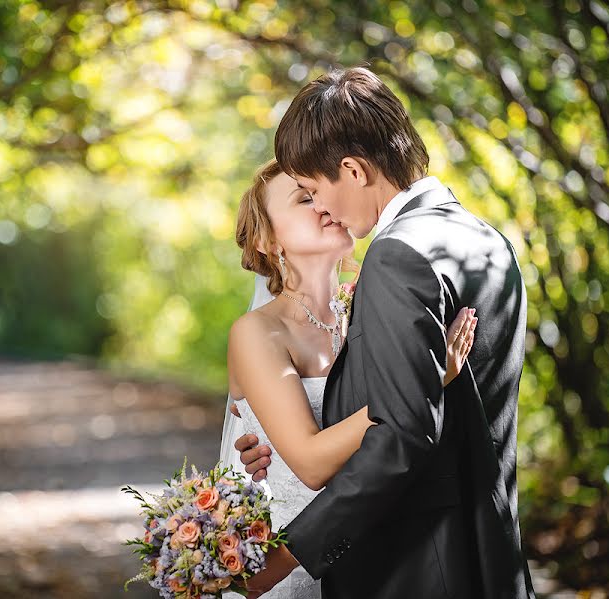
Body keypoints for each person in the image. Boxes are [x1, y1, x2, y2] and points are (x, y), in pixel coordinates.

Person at [235, 66, 535, 599]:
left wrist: (284, 559)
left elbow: (399, 435)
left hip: (417, 567)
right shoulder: (488, 241)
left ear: (352, 169)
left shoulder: (397, 254)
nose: (322, 207)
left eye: (313, 189)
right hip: (492, 553)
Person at [219, 158, 477, 598]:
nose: (322, 203)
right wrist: (427, 382)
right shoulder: (256, 333)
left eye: (319, 191)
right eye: (304, 197)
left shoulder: (372, 308)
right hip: (296, 564)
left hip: (385, 556)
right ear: (266, 239)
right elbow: (312, 463)